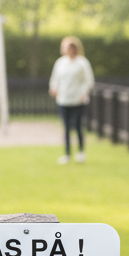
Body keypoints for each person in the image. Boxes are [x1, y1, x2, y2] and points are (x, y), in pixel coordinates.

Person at [49, 35, 94, 164]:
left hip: (78, 99)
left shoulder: (82, 62)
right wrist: (53, 88)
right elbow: (55, 79)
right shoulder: (60, 62)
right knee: (66, 127)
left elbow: (89, 80)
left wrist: (84, 93)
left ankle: (81, 152)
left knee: (78, 126)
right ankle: (67, 154)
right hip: (63, 99)